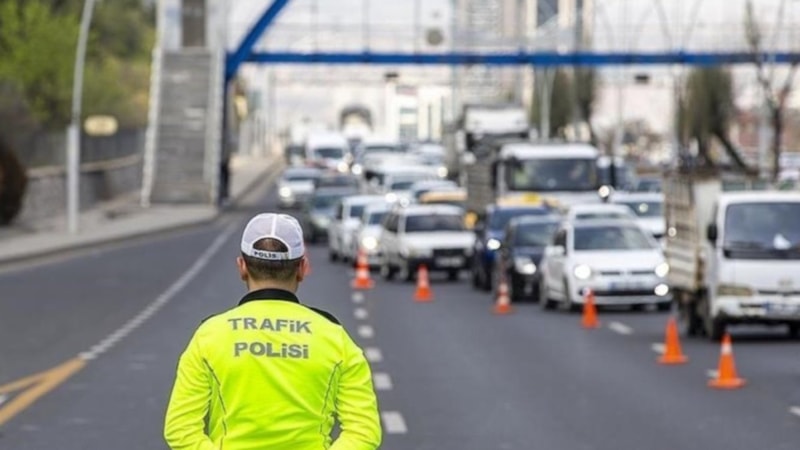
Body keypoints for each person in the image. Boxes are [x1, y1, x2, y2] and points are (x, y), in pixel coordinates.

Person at [164, 213, 382, 450]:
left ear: (242, 267)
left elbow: (180, 429)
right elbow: (364, 431)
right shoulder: (334, 337)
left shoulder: (210, 335)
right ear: (302, 268)